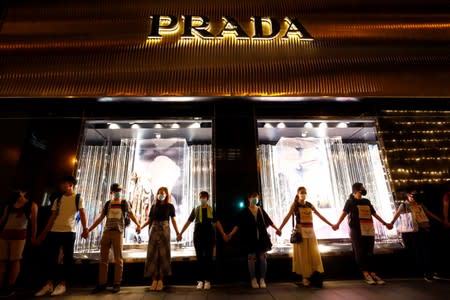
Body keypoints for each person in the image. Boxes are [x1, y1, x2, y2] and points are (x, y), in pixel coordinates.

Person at [34, 175, 88, 297]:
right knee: (51, 258)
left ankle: (63, 284)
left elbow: (83, 214)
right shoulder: (58, 199)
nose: (61, 186)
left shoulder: (78, 197)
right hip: (55, 231)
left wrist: (85, 229)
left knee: (67, 259)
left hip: (69, 231)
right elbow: (52, 217)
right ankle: (49, 284)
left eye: (64, 183)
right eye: (61, 183)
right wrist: (43, 234)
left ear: (70, 184)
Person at [83, 183, 141, 294]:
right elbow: (100, 218)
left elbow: (131, 214)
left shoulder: (124, 203)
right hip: (107, 232)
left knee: (118, 258)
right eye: (115, 190)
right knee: (103, 259)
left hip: (118, 232)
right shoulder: (108, 204)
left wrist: (138, 225)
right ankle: (102, 283)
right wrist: (89, 230)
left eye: (119, 190)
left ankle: (117, 283)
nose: (117, 192)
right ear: (111, 192)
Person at [332, 182, 392, 285]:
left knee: (369, 251)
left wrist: (385, 223)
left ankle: (373, 273)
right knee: (359, 251)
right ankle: (365, 273)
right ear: (357, 190)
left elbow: (374, 214)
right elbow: (344, 213)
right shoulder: (350, 202)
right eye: (362, 187)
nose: (364, 189)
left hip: (368, 229)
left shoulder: (366, 201)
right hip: (356, 230)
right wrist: (337, 224)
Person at [278, 186, 333, 287]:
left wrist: (332, 224)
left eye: (305, 192)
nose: (303, 194)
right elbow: (287, 217)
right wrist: (280, 228)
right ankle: (304, 277)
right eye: (301, 192)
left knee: (313, 253)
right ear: (298, 194)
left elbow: (320, 215)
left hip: (310, 231)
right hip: (300, 231)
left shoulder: (309, 205)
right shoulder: (295, 205)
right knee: (302, 255)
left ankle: (312, 275)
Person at [224, 192, 281, 289]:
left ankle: (262, 279)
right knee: (251, 258)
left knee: (262, 258)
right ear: (249, 198)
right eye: (253, 197)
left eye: (257, 197)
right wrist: (230, 234)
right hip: (249, 239)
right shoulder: (244, 212)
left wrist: (277, 229)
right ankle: (253, 279)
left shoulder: (261, 210)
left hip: (261, 238)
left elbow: (269, 221)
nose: (255, 199)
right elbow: (237, 225)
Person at [389, 188, 446, 282]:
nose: (414, 196)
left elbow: (428, 213)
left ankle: (430, 271)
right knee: (422, 251)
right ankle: (427, 272)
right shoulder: (404, 205)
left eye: (414, 195)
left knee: (428, 250)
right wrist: (391, 223)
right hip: (414, 231)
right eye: (412, 195)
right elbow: (397, 214)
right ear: (407, 195)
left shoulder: (419, 204)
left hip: (424, 229)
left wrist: (440, 220)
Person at [177, 191, 225, 290]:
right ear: (199, 198)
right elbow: (188, 221)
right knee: (199, 258)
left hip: (209, 236)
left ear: (207, 198)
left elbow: (217, 222)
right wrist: (180, 233)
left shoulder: (211, 210)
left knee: (208, 258)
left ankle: (207, 280)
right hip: (198, 236)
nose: (202, 199)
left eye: (204, 197)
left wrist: (223, 233)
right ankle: (200, 280)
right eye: (201, 197)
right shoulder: (196, 209)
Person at [139, 186, 180, 291]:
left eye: (163, 193)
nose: (161, 194)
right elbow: (150, 220)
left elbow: (173, 220)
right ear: (157, 194)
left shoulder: (170, 206)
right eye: (159, 193)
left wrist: (178, 233)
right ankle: (154, 280)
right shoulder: (154, 206)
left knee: (163, 255)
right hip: (154, 230)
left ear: (166, 195)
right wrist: (140, 227)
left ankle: (161, 280)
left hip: (165, 231)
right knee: (152, 254)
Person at [0, 188, 38, 297]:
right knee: (2, 261)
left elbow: (34, 222)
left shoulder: (32, 205)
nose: (18, 193)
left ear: (24, 193)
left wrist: (33, 236)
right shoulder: (10, 204)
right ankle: (1, 285)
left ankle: (10, 286)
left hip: (19, 235)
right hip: (5, 234)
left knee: (15, 260)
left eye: (20, 192)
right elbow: (3, 219)